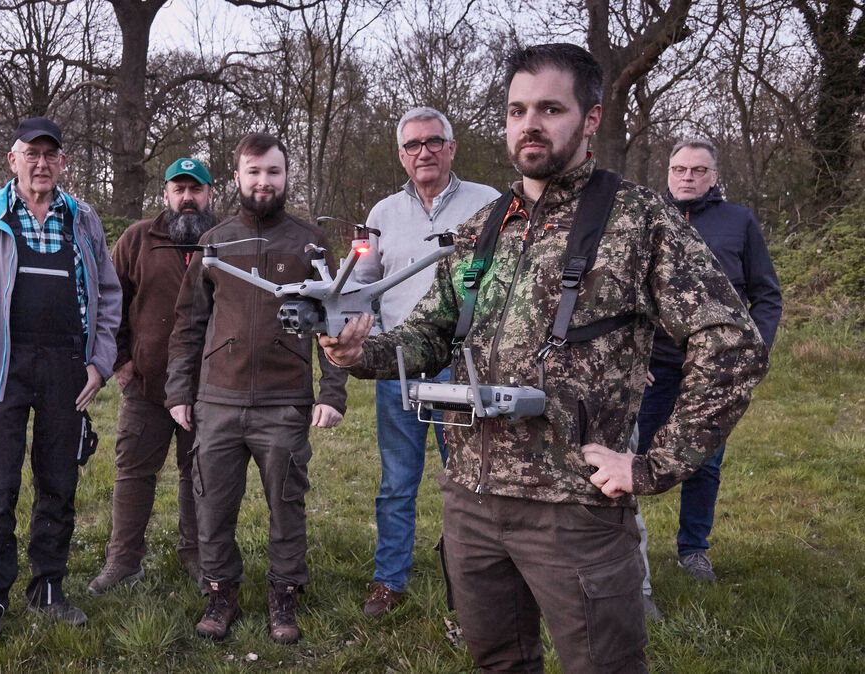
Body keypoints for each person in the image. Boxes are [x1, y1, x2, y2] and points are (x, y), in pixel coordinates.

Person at [319, 44, 767, 672]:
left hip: (573, 509)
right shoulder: (484, 226)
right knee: (499, 660)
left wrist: (655, 464)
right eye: (516, 110)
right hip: (471, 502)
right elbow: (430, 334)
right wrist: (359, 350)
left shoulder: (639, 220)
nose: (529, 124)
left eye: (550, 109)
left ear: (590, 118)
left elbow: (732, 343)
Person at [0, 117, 121, 659]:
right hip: (0, 368)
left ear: (62, 162)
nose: (41, 164)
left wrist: (100, 363)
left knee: (59, 482)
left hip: (67, 367)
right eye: (31, 154)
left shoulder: (82, 218)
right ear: (12, 160)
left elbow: (109, 295)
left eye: (50, 155)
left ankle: (48, 590)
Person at [165, 132, 349, 644]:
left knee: (287, 504)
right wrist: (179, 392)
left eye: (273, 172)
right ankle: (220, 591)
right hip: (217, 402)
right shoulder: (215, 242)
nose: (263, 181)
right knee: (211, 504)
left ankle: (284, 593)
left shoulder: (310, 243)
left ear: (286, 176)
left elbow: (334, 321)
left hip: (284, 403)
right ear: (237, 177)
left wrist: (332, 393)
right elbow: (188, 324)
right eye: (254, 172)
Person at [353, 106, 499, 618]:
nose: (424, 152)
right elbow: (363, 285)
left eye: (434, 141)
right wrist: (367, 336)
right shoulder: (381, 214)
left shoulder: (490, 204)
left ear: (451, 147)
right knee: (397, 480)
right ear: (401, 155)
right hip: (399, 368)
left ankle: (475, 580)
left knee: (468, 479)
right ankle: (389, 580)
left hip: (465, 368)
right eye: (413, 145)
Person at [636, 139, 782, 587]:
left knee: (704, 460)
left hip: (715, 370)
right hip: (654, 367)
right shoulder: (644, 218)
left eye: (698, 170)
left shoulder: (739, 221)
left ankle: (693, 549)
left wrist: (750, 353)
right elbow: (623, 296)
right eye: (679, 169)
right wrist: (631, 356)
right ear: (667, 173)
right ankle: (622, 547)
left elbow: (767, 295)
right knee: (630, 453)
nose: (688, 177)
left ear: (714, 177)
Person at [87, 157, 219, 595]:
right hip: (147, 386)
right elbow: (110, 303)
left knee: (199, 474)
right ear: (165, 194)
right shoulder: (138, 239)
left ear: (210, 194)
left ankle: (196, 555)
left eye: (195, 189)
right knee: (133, 472)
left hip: (209, 387)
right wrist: (122, 362)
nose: (187, 198)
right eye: (179, 189)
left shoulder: (226, 241)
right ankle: (123, 560)